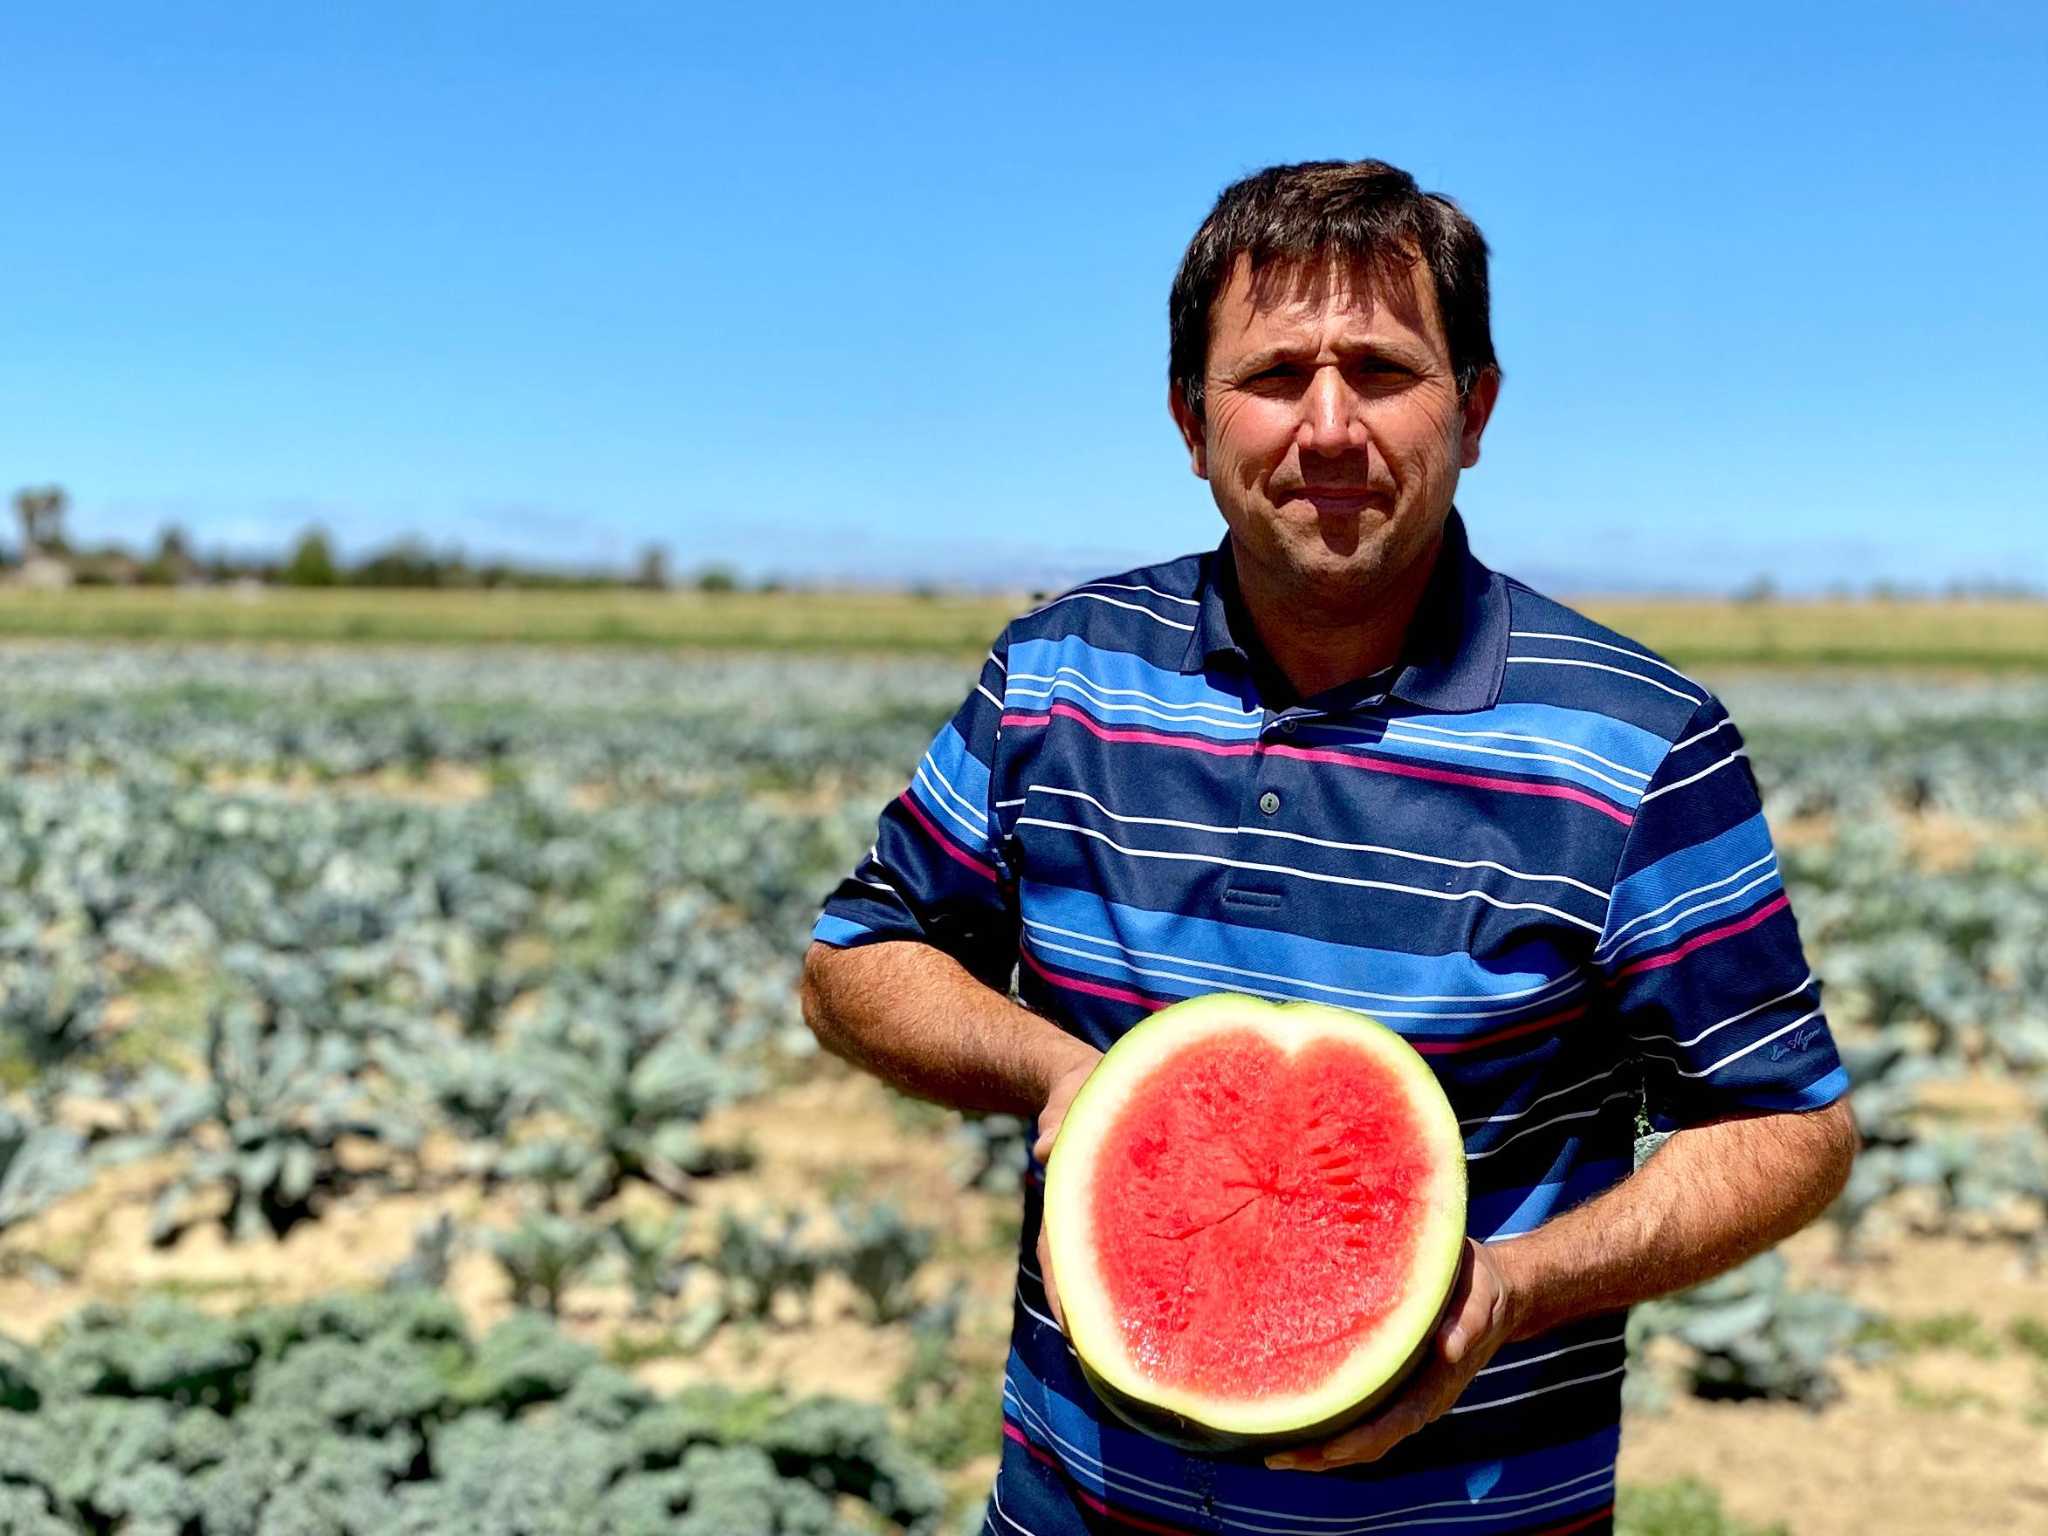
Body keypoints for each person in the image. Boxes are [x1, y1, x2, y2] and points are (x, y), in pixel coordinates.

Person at [800, 159, 1857, 1536]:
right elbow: (856, 955)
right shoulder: (1058, 673)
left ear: (1474, 409)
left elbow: (1787, 1123)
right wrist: (1075, 1079)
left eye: (1384, 369)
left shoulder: (1635, 741)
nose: (1331, 426)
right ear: (1190, 421)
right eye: (1274, 374)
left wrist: (1514, 1287)